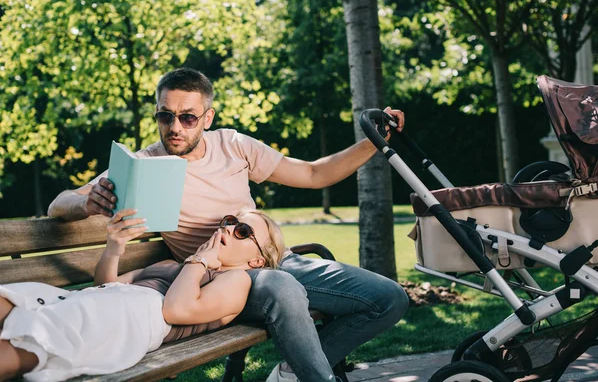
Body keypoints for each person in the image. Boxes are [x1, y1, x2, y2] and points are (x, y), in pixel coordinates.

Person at [47, 68, 410, 382]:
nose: (175, 127)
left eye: (187, 117)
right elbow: (56, 205)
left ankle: (293, 371)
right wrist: (84, 202)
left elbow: (314, 173)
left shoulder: (234, 145)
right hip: (220, 281)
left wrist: (373, 143)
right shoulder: (144, 165)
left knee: (388, 298)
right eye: (165, 116)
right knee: (281, 286)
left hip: (275, 261)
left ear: (207, 117)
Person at [0, 208, 285, 382]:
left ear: (257, 261)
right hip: (95, 300)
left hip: (134, 314)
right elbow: (107, 284)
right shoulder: (173, 265)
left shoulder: (235, 279)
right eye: (230, 220)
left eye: (243, 231)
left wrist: (200, 261)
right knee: (12, 299)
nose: (229, 228)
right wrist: (114, 248)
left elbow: (174, 310)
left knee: (35, 341)